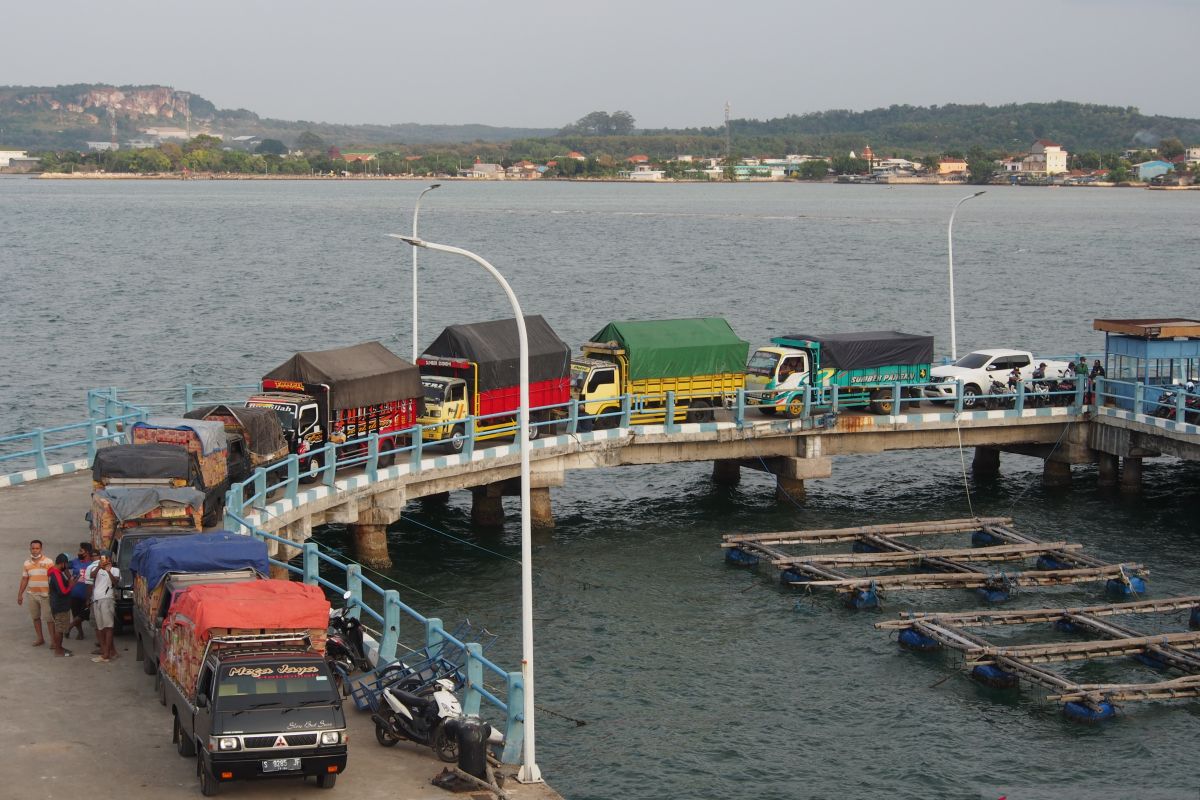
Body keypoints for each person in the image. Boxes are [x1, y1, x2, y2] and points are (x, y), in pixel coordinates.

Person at [18, 539, 54, 647]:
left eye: (37, 548)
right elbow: (25, 579)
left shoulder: (48, 562)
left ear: (41, 549)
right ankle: (40, 638)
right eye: (33, 548)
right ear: (30, 549)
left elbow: (53, 579)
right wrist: (20, 594)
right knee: (35, 617)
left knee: (49, 618)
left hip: (45, 595)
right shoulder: (27, 563)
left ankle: (53, 641)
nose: (35, 551)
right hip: (32, 594)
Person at [87, 549, 119, 663]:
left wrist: (109, 571)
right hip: (96, 600)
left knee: (108, 626)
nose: (103, 560)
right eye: (102, 558)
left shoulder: (115, 569)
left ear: (110, 559)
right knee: (100, 627)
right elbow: (91, 575)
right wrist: (100, 567)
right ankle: (106, 651)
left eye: (105, 558)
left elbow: (116, 582)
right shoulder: (97, 569)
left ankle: (106, 654)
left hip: (107, 599)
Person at [46, 553, 75, 657]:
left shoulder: (54, 572)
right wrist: (71, 586)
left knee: (61, 628)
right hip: (60, 605)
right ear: (62, 563)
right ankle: (58, 650)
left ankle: (60, 647)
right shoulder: (56, 574)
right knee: (60, 629)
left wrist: (68, 582)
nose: (67, 567)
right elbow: (62, 591)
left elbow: (59, 586)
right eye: (66, 565)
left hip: (57, 604)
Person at [67, 542, 94, 641]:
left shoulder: (92, 564)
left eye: (81, 550)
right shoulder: (75, 562)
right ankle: (80, 633)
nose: (79, 552)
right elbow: (64, 566)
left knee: (84, 614)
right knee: (75, 614)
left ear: (87, 552)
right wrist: (70, 578)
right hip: (75, 593)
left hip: (87, 595)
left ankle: (69, 627)